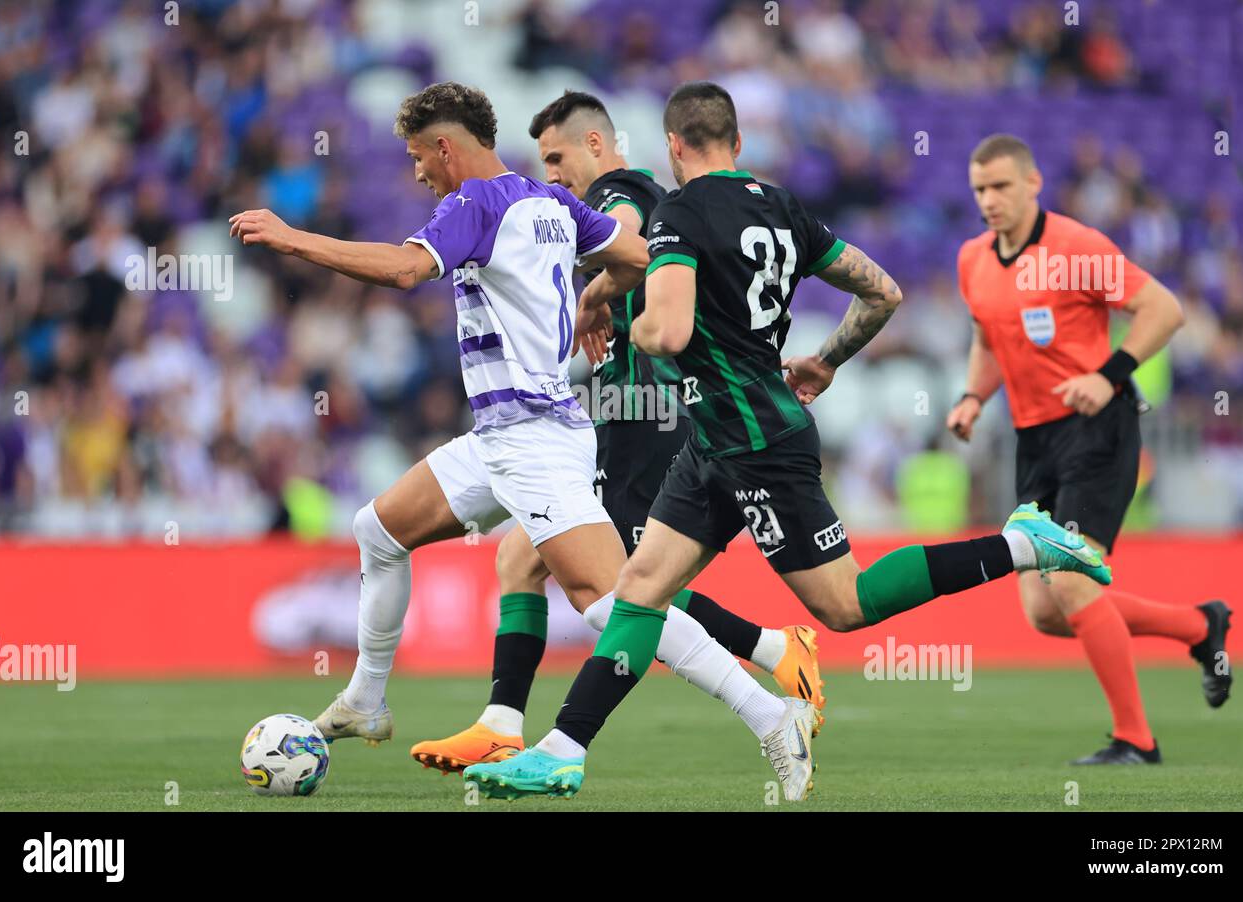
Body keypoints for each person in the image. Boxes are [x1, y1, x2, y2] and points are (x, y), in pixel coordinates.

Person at [465, 83, 1112, 802]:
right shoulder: (782, 208)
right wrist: (827, 359)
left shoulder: (677, 214)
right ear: (736, 144)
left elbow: (669, 332)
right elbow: (883, 291)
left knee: (844, 605)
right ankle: (564, 750)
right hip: (716, 439)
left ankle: (1023, 543)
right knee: (639, 590)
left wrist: (628, 319)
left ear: (675, 146)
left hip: (757, 445)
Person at [409, 90, 827, 776]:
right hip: (621, 411)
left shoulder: (619, 188)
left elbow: (625, 231)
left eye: (557, 158)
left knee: (625, 584)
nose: (551, 176)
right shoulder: (586, 202)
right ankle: (502, 724)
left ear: (597, 145)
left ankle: (763, 669)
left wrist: (592, 288)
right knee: (525, 560)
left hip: (644, 416)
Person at [946, 133, 1232, 765]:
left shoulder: (1077, 248)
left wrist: (1108, 375)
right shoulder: (972, 259)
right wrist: (972, 396)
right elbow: (989, 340)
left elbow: (1164, 308)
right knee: (1044, 612)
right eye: (979, 190)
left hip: (1095, 429)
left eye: (999, 187)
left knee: (1071, 584)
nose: (988, 201)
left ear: (1032, 183)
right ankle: (1199, 626)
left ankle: (1136, 739)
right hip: (1033, 440)